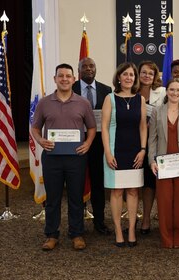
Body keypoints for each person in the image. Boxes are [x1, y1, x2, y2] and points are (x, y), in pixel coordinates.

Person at [31, 63, 96, 251]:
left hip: (76, 157)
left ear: (74, 79)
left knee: (76, 197)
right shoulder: (44, 102)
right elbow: (35, 127)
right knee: (53, 197)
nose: (65, 79)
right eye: (61, 76)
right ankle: (51, 235)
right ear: (55, 79)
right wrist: (41, 140)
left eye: (68, 76)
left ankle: (77, 234)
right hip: (52, 157)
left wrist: (88, 143)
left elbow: (91, 128)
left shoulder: (83, 103)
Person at [148, 79, 179, 248]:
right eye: (172, 90)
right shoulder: (157, 111)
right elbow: (152, 138)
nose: (175, 93)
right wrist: (151, 161)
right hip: (163, 165)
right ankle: (167, 238)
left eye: (178, 90)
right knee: (164, 201)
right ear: (166, 91)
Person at [102, 62, 147, 247]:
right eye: (125, 74)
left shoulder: (140, 99)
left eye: (132, 75)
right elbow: (104, 127)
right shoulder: (110, 98)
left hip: (135, 151)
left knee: (133, 191)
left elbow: (143, 126)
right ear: (118, 78)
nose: (129, 78)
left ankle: (131, 230)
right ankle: (119, 231)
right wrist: (107, 152)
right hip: (115, 151)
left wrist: (143, 150)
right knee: (117, 191)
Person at [72, 57, 112, 235]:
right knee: (76, 184)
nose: (88, 69)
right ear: (79, 70)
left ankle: (99, 222)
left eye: (91, 66)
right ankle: (77, 223)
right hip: (75, 143)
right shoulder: (70, 89)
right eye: (85, 66)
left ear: (96, 69)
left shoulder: (106, 90)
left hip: (98, 145)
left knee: (97, 184)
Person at [137, 60, 166, 235]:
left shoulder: (162, 93)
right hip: (135, 142)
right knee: (139, 183)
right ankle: (142, 217)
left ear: (155, 76)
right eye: (144, 72)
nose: (147, 76)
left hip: (156, 142)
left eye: (151, 73)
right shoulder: (132, 91)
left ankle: (153, 218)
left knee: (152, 181)